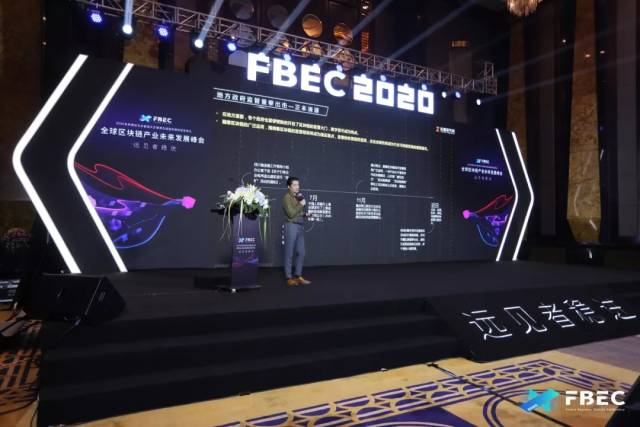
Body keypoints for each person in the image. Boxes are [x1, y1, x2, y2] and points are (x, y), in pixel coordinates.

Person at [282, 176, 311, 286]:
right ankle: (289, 277)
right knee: (289, 252)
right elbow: (290, 213)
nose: (297, 187)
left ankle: (298, 276)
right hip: (291, 226)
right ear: (289, 186)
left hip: (299, 225)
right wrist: (301, 204)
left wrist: (305, 214)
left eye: (298, 185)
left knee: (301, 252)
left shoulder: (298, 196)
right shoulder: (286, 198)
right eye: (294, 185)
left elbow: (297, 212)